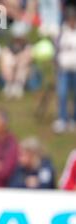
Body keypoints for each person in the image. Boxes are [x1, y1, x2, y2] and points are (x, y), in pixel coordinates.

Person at [52, 6, 76, 134]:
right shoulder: (61, 32)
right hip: (64, 69)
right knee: (62, 94)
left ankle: (73, 120)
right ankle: (62, 119)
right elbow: (56, 50)